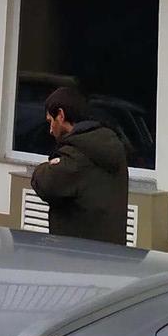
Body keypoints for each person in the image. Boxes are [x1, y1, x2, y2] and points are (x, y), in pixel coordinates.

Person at [30, 82, 129, 245]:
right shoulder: (110, 145)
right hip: (111, 251)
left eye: (50, 121)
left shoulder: (76, 154)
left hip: (78, 252)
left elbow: (45, 183)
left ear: (61, 115)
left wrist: (43, 167)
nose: (50, 130)